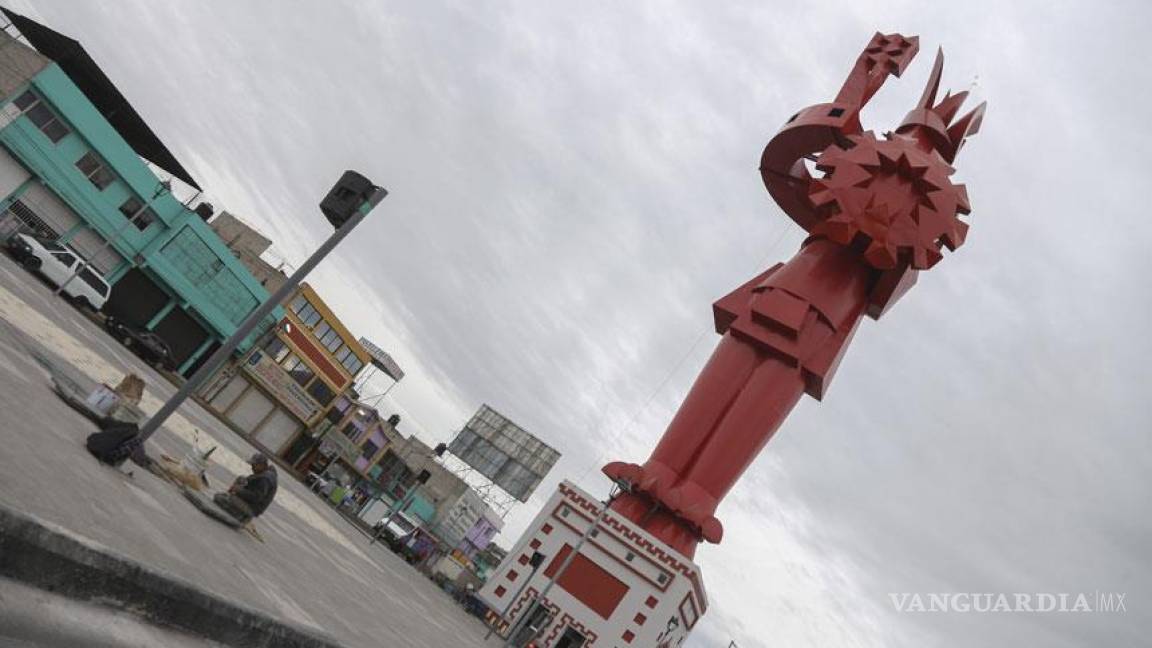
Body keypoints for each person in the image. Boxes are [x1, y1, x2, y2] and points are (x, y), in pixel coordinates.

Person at [213, 453, 278, 523]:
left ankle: (241, 516)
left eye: (254, 465)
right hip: (251, 503)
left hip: (253, 508)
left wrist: (239, 490)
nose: (252, 467)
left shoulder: (265, 480)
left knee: (219, 498)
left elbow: (256, 497)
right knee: (241, 479)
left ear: (261, 465)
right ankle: (237, 508)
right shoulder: (265, 473)